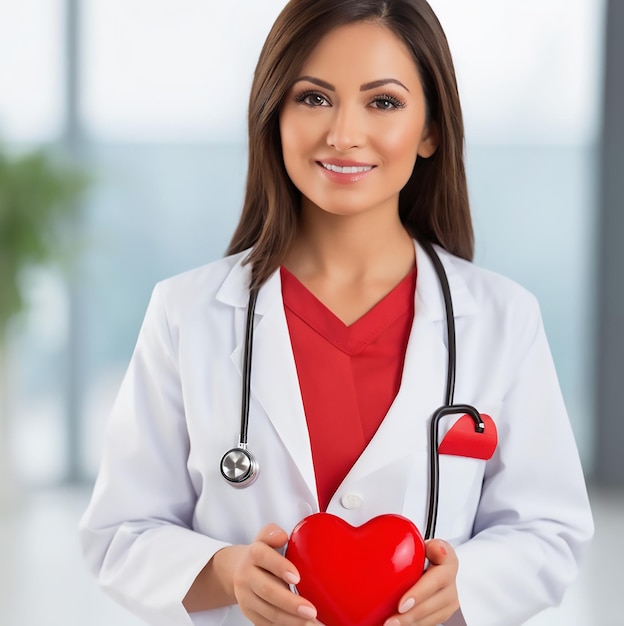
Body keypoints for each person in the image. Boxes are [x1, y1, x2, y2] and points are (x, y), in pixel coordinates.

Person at [79, 0, 594, 625]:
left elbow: (551, 530)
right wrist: (227, 571)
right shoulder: (187, 314)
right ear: (274, 114)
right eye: (314, 98)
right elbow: (119, 533)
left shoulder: (503, 319)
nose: (344, 134)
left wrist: (469, 582)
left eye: (383, 102)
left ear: (430, 129)